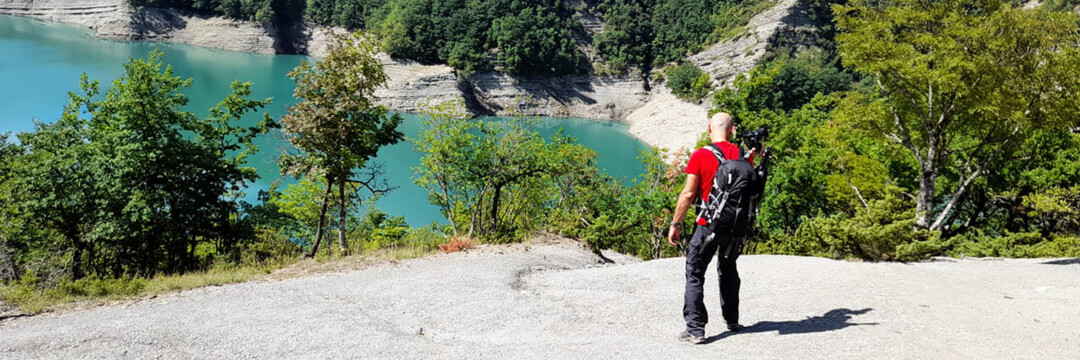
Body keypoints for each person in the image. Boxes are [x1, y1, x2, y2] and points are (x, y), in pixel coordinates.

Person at [668, 112, 760, 344]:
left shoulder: (700, 154)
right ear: (733, 130)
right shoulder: (743, 156)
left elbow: (688, 193)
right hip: (736, 227)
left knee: (695, 272)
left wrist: (675, 223)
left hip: (707, 225)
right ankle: (732, 321)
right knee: (728, 270)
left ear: (710, 128)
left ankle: (695, 329)